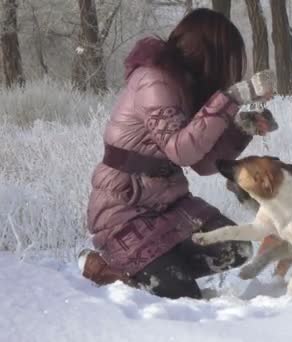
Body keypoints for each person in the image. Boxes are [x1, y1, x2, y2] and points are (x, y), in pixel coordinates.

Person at [78, 8, 277, 300]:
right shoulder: (154, 80)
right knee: (184, 297)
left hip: (169, 202)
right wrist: (232, 98)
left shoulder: (186, 86)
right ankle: (117, 269)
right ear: (209, 52)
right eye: (228, 58)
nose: (231, 68)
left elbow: (203, 163)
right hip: (125, 207)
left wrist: (242, 128)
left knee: (236, 246)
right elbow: (181, 150)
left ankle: (155, 272)